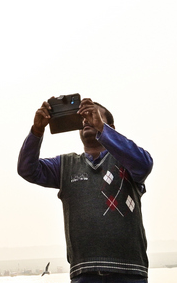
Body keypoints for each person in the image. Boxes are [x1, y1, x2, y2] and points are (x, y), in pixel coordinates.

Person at [18, 98, 153, 283]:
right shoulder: (65, 165)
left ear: (111, 127)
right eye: (83, 117)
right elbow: (27, 169)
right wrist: (37, 131)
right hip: (84, 273)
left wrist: (102, 129)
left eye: (93, 115)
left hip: (130, 272)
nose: (87, 120)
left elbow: (144, 164)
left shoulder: (127, 161)